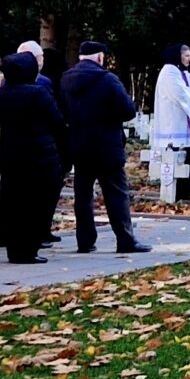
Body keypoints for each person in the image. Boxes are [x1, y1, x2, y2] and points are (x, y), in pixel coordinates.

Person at [60, 39, 149, 253]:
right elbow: (128, 110)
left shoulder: (65, 79)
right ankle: (125, 239)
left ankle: (85, 240)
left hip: (79, 143)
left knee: (83, 193)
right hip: (106, 143)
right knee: (116, 192)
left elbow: (61, 110)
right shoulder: (107, 79)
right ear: (100, 57)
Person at [0, 50, 67, 262]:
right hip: (38, 153)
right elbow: (56, 120)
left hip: (11, 152)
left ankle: (14, 248)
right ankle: (27, 250)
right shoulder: (37, 93)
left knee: (15, 201)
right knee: (34, 203)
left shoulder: (2, 94)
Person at [147, 43, 190, 202]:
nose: (189, 59)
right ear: (177, 56)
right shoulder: (169, 72)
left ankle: (189, 190)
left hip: (183, 121)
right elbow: (180, 94)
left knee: (187, 154)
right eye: (186, 56)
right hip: (173, 121)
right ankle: (179, 192)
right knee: (177, 155)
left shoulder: (183, 73)